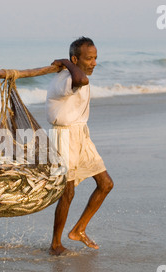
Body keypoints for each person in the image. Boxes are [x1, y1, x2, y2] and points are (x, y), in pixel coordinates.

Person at [46, 37, 113, 255]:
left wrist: (69, 63)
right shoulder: (64, 80)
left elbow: (83, 78)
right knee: (68, 193)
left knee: (106, 184)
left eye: (95, 58)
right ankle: (55, 244)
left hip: (81, 135)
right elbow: (81, 80)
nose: (94, 63)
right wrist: (67, 63)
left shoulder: (79, 74)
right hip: (63, 137)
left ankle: (78, 229)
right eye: (89, 58)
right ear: (76, 59)